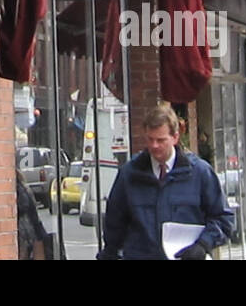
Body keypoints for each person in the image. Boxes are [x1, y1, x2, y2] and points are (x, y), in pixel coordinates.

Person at [96, 104, 234, 259]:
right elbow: (114, 226)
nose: (154, 146)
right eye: (150, 139)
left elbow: (223, 219)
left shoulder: (199, 173)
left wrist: (202, 245)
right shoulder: (130, 174)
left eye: (161, 140)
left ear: (175, 137)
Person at [16, 172, 48, 259]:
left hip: (25, 229)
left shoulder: (18, 189)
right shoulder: (24, 187)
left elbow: (24, 207)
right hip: (33, 228)